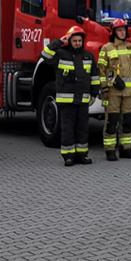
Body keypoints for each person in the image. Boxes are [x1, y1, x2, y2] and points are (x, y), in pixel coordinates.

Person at [44, 25, 97, 166]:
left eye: (79, 41)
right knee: (67, 128)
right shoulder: (60, 54)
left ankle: (82, 155)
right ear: (69, 41)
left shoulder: (88, 56)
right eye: (74, 41)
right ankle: (68, 156)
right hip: (66, 100)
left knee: (82, 128)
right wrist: (60, 41)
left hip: (83, 99)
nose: (77, 43)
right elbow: (45, 54)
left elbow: (94, 77)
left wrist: (94, 93)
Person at [97, 19, 131, 160]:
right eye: (119, 30)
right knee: (112, 121)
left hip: (129, 93)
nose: (122, 32)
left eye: (124, 30)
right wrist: (106, 86)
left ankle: (125, 149)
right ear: (114, 32)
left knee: (127, 121)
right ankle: (110, 150)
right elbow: (101, 70)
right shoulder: (106, 48)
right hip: (113, 93)